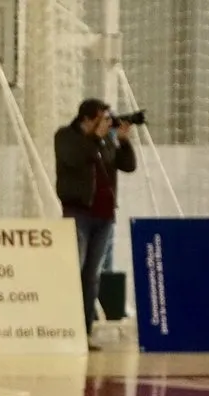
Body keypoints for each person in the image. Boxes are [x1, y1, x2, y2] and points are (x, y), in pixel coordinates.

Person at [54, 98, 136, 350]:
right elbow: (76, 159)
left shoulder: (104, 140)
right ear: (87, 119)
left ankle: (84, 331)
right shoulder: (66, 137)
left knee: (92, 277)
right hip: (78, 212)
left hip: (104, 217)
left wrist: (122, 140)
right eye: (102, 119)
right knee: (72, 272)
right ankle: (63, 328)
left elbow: (128, 165)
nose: (106, 124)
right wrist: (97, 138)